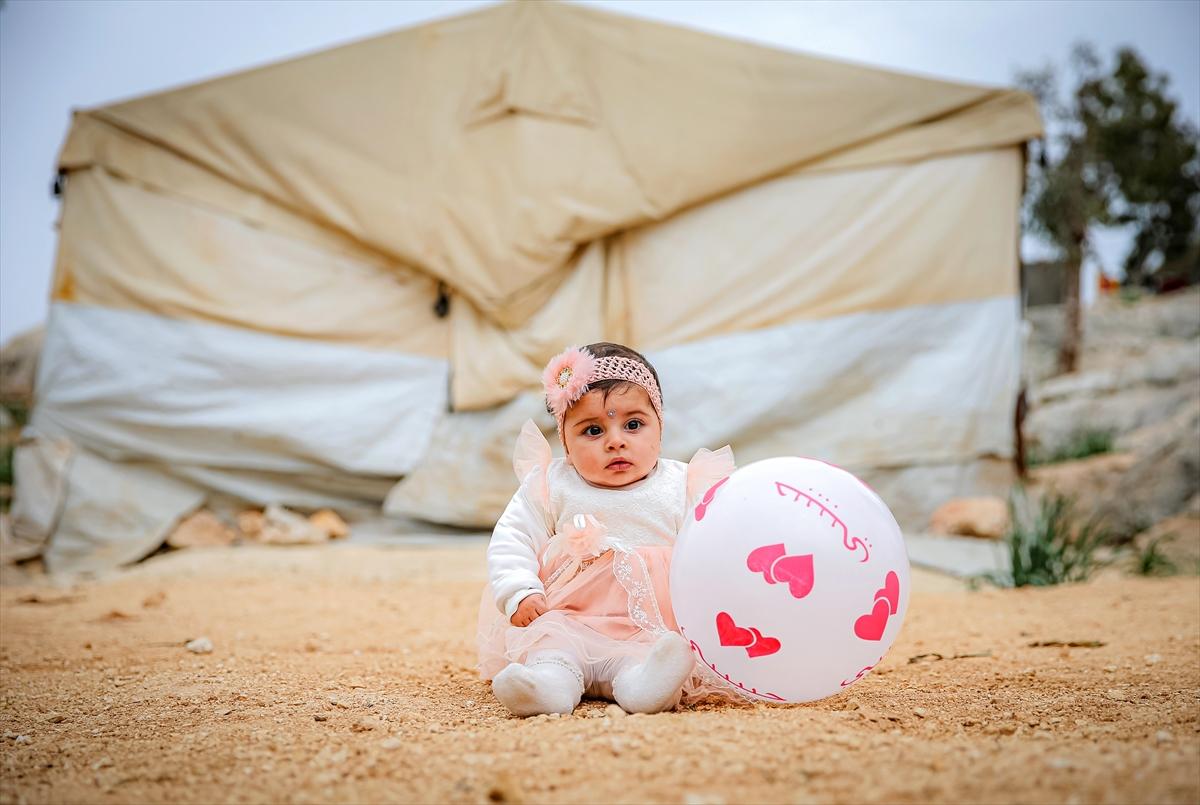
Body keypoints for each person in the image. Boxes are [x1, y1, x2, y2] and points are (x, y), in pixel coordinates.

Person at [477, 342, 735, 716]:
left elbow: (716, 545)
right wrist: (518, 590)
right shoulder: (552, 485)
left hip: (646, 624)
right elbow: (513, 537)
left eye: (633, 424)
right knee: (551, 648)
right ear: (565, 440)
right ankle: (547, 685)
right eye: (593, 430)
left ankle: (644, 686)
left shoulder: (683, 485)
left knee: (654, 653)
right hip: (568, 617)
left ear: (658, 428)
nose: (616, 440)